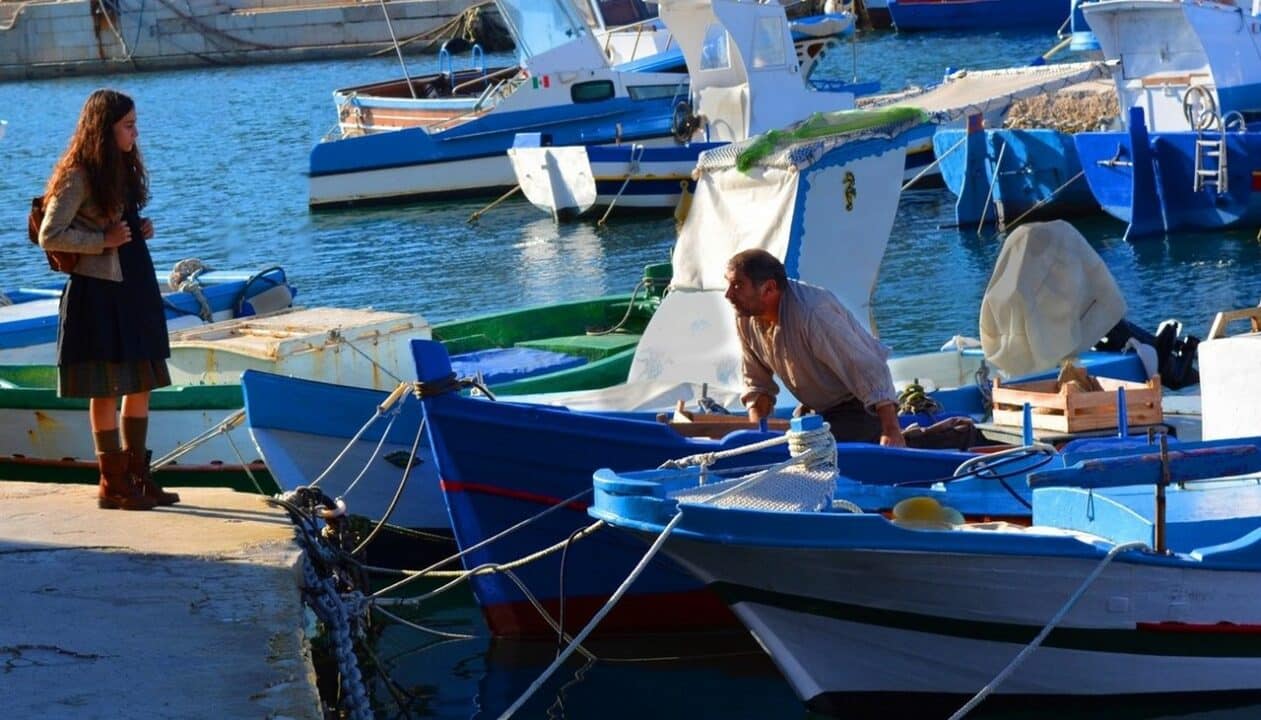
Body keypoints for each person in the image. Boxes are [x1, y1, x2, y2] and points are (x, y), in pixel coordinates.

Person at [39, 89, 178, 510]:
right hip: (98, 294)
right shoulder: (78, 174)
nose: (136, 132)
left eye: (134, 123)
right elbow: (50, 233)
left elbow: (119, 223)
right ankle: (112, 484)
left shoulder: (120, 167)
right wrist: (103, 240)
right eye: (128, 125)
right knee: (106, 390)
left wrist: (139, 228)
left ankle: (136, 478)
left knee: (142, 384)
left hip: (134, 286)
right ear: (105, 129)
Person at [724, 249, 905, 447]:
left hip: (860, 409)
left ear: (769, 288)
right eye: (729, 284)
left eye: (737, 285)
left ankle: (915, 437)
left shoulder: (813, 312)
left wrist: (891, 430)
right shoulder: (745, 315)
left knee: (812, 448)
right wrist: (758, 437)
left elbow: (869, 369)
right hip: (818, 411)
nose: (728, 294)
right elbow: (757, 384)